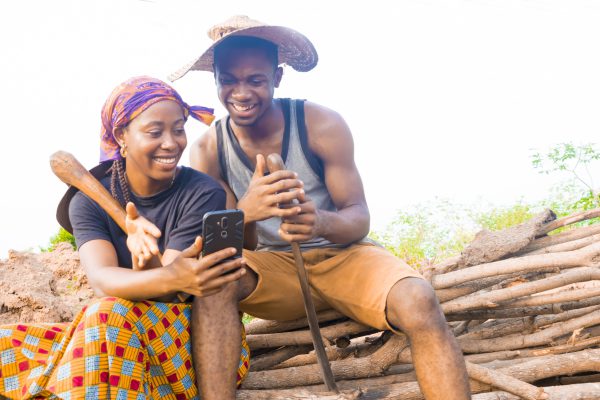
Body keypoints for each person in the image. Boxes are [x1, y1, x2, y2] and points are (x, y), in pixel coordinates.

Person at [170, 15, 471, 400]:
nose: (240, 92)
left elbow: (357, 217)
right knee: (215, 283)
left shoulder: (320, 123)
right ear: (215, 79)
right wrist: (248, 211)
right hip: (275, 271)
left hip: (344, 257)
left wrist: (318, 221)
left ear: (277, 77)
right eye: (228, 80)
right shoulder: (208, 149)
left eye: (256, 80)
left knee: (418, 299)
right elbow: (232, 249)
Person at [0, 76, 249, 399]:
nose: (171, 143)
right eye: (154, 132)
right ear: (121, 136)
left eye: (178, 128)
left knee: (107, 314)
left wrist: (158, 268)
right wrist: (162, 272)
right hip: (110, 337)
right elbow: (103, 279)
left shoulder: (202, 192)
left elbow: (171, 291)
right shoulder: (88, 200)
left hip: (184, 347)